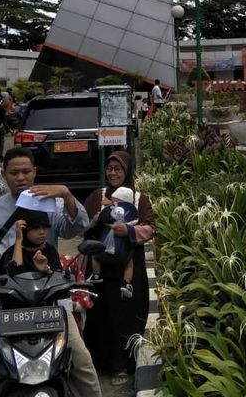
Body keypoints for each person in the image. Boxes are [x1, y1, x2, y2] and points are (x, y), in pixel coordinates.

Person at [0, 148, 97, 397]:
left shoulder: (52, 203)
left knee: (82, 362)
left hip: (47, 301)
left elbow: (77, 228)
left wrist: (67, 194)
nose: (21, 177)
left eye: (26, 171)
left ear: (35, 172)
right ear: (4, 175)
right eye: (14, 172)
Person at [82, 151, 155, 388]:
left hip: (127, 265)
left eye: (118, 169)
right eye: (110, 169)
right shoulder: (97, 196)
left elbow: (151, 227)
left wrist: (130, 232)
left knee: (125, 316)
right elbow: (84, 226)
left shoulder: (139, 199)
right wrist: (96, 221)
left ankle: (122, 365)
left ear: (127, 172)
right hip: (101, 265)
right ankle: (102, 362)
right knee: (99, 313)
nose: (113, 173)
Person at [85, 186, 138, 298]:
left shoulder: (110, 215)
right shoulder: (130, 219)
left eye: (114, 201)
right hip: (123, 254)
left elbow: (101, 218)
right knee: (129, 264)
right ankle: (127, 283)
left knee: (94, 255)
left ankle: (96, 274)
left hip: (103, 252)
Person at [5, 208, 60, 275]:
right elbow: (15, 277)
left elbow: (60, 278)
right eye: (36, 228)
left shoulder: (50, 251)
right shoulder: (10, 253)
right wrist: (19, 240)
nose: (42, 232)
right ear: (24, 229)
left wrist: (46, 270)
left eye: (45, 227)